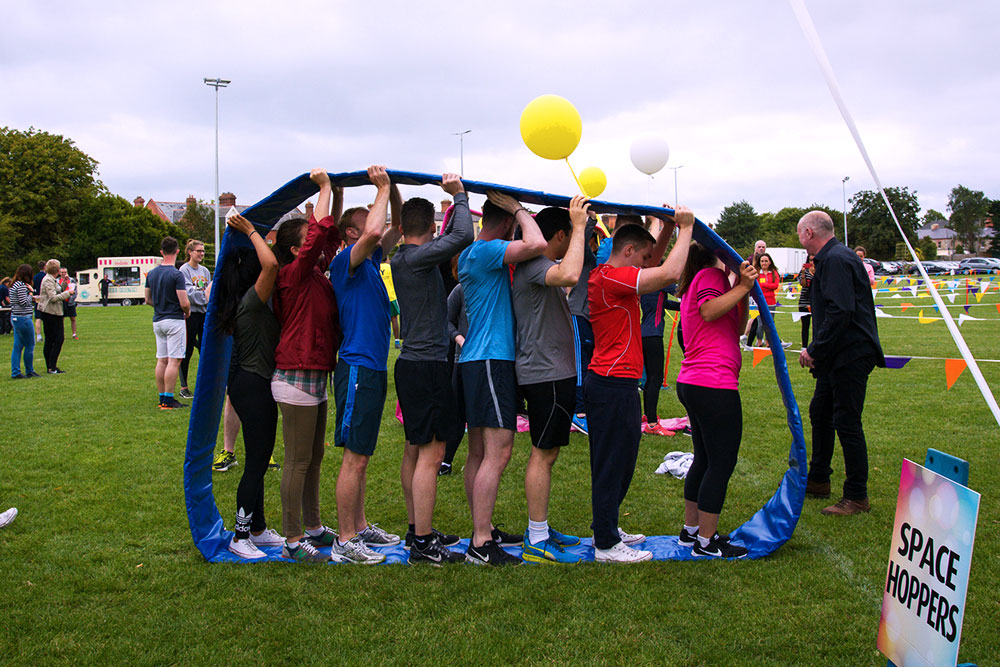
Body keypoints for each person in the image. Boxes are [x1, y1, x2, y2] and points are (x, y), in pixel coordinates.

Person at [584, 210, 694, 563]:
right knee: (610, 463)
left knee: (624, 460)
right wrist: (687, 229)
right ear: (629, 251)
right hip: (610, 382)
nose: (648, 262)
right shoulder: (611, 279)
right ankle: (604, 544)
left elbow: (657, 260)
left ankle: (608, 526)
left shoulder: (616, 273)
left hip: (621, 382)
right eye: (643, 257)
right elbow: (670, 272)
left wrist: (668, 229)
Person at [457, 191, 546, 566]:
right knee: (500, 451)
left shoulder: (472, 254)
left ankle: (484, 528)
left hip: (478, 361)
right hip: (491, 360)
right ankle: (481, 542)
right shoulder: (486, 251)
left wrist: (513, 213)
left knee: (478, 453)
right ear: (506, 223)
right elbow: (538, 242)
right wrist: (520, 210)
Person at [391, 173, 473, 565]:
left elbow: (449, 237)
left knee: (415, 449)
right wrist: (458, 195)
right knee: (432, 451)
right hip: (426, 366)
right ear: (429, 228)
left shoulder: (399, 257)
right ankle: (423, 542)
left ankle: (415, 529)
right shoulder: (419, 258)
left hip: (412, 365)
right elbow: (461, 237)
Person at [328, 165, 402, 562]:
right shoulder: (347, 263)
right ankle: (345, 539)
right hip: (356, 367)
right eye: (367, 220)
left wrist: (392, 192)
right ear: (352, 234)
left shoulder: (372, 263)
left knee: (363, 455)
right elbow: (375, 231)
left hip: (371, 368)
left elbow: (398, 224)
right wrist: (383, 187)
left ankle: (359, 526)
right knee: (354, 458)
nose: (376, 223)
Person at [511, 197, 590, 564]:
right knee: (543, 455)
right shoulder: (535, 266)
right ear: (558, 234)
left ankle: (539, 529)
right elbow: (570, 275)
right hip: (546, 374)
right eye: (568, 236)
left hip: (550, 371)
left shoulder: (536, 264)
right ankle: (537, 538)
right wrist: (579, 227)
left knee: (549, 452)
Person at [271, 168, 342, 563]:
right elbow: (319, 236)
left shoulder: (313, 270)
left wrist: (338, 193)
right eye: (307, 243)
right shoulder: (292, 275)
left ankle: (314, 527)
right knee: (297, 461)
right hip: (295, 376)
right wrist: (325, 189)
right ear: (297, 250)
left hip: (315, 374)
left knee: (314, 458)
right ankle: (294, 541)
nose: (314, 246)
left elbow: (328, 237)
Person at [797, 211, 885, 515]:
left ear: (809, 233)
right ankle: (818, 478)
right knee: (820, 411)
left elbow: (840, 311)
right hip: (839, 353)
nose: (800, 239)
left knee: (847, 420)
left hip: (850, 353)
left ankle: (857, 495)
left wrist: (815, 350)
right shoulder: (835, 257)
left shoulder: (835, 259)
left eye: (799, 234)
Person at [675, 244, 756, 558]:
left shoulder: (698, 281)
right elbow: (710, 311)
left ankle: (691, 531)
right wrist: (742, 285)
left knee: (705, 459)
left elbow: (736, 327)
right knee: (721, 463)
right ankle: (706, 543)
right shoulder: (710, 275)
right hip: (713, 383)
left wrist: (742, 290)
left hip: (696, 381)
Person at [214, 214, 283, 559]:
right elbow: (270, 265)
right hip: (252, 385)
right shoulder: (253, 302)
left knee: (258, 457)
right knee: (256, 462)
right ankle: (241, 537)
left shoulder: (241, 302)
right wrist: (252, 231)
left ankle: (257, 528)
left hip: (249, 384)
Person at [567, 211, 603, 435]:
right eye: (595, 238)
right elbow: (579, 239)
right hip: (577, 315)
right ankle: (579, 413)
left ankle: (584, 407)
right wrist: (590, 221)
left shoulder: (599, 260)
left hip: (588, 317)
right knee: (581, 364)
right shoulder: (584, 257)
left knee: (588, 362)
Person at [145, 237, 190, 409]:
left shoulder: (152, 273)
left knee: (161, 360)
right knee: (174, 360)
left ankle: (162, 397)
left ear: (161, 252)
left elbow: (147, 299)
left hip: (158, 320)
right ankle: (169, 399)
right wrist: (187, 312)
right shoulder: (176, 274)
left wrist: (161, 305)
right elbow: (184, 302)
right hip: (174, 320)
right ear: (177, 251)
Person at [639, 285, 680, 434]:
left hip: (644, 333)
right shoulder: (663, 281)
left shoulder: (649, 283)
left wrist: (683, 307)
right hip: (653, 335)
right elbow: (682, 291)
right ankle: (651, 424)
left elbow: (665, 303)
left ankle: (648, 415)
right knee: (656, 378)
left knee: (650, 378)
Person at [178, 239, 212, 399]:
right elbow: (188, 293)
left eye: (203, 251)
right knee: (188, 349)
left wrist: (207, 298)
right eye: (198, 251)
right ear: (190, 252)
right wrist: (205, 298)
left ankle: (207, 383)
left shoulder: (205, 271)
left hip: (204, 313)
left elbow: (209, 290)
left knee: (206, 348)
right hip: (191, 315)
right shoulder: (184, 270)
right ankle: (184, 386)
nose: (201, 254)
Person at [440, 280, 468, 476]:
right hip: (462, 359)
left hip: (489, 359)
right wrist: (458, 337)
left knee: (480, 418)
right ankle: (446, 461)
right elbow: (446, 319)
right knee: (456, 414)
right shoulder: (461, 289)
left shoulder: (499, 286)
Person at [746, 252, 791, 349]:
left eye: (766, 261)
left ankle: (768, 342)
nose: (764, 263)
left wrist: (764, 285)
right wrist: (767, 286)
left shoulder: (774, 272)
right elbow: (756, 286)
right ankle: (759, 342)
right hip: (760, 301)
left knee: (770, 322)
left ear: (770, 262)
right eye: (762, 261)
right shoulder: (757, 272)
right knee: (760, 324)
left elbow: (775, 286)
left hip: (771, 301)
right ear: (760, 262)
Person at [37, 259, 72, 374]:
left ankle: (51, 366)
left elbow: (57, 290)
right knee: (57, 339)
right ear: (57, 269)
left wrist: (64, 284)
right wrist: (68, 293)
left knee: (51, 340)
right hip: (51, 313)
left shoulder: (51, 279)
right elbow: (53, 298)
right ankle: (51, 366)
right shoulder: (48, 280)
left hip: (52, 312)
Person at [9, 264, 39, 379]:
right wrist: (31, 293)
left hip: (16, 317)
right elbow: (23, 302)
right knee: (30, 345)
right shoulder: (21, 286)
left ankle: (15, 371)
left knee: (17, 346)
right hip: (23, 318)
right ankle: (29, 370)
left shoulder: (14, 284)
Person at [379, 257, 401, 349]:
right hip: (391, 296)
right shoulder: (390, 268)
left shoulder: (376, 267)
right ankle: (397, 342)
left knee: (383, 321)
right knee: (394, 319)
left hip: (380, 297)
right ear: (386, 259)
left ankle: (384, 341)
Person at [797, 255, 815, 348]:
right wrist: (803, 273)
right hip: (804, 300)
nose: (812, 262)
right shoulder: (804, 271)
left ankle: (815, 345)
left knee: (816, 325)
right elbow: (803, 284)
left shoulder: (820, 269)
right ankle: (804, 346)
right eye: (810, 260)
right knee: (805, 325)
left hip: (816, 301)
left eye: (814, 260)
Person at [57, 268, 79, 340]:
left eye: (65, 272)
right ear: (59, 273)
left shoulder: (71, 280)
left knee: (72, 318)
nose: (64, 274)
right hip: (62, 301)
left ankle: (74, 333)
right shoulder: (57, 281)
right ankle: (61, 334)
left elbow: (75, 290)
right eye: (62, 272)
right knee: (61, 319)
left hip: (70, 301)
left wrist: (72, 299)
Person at [32, 260, 45, 342]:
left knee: (38, 318)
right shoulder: (46, 276)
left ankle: (38, 336)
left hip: (37, 298)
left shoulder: (35, 277)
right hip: (45, 298)